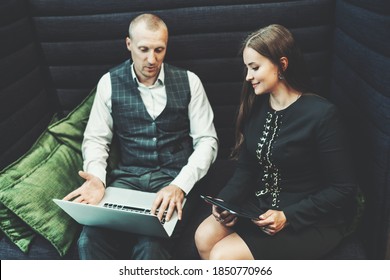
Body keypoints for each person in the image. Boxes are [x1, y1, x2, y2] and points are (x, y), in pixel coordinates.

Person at [194, 24, 357, 260]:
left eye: (255, 67)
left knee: (223, 256)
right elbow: (247, 168)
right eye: (247, 68)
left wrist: (288, 215)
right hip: (261, 209)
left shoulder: (322, 114)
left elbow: (343, 189)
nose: (248, 76)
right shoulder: (257, 107)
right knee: (204, 236)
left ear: (282, 64)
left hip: (310, 220)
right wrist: (226, 201)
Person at [63, 13, 218, 260]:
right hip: (127, 179)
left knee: (151, 247)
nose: (151, 59)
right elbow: (96, 139)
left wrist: (180, 185)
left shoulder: (190, 81)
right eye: (144, 49)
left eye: (159, 50)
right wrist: (97, 179)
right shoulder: (109, 83)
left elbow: (207, 141)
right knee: (89, 242)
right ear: (129, 44)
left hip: (172, 178)